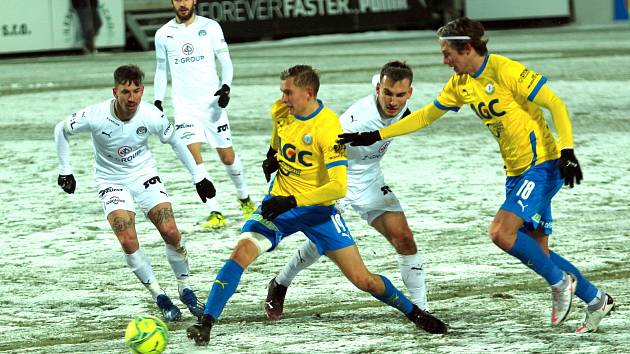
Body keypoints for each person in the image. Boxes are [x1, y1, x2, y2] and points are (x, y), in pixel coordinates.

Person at [338, 17, 615, 334]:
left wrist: (567, 151)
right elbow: (427, 115)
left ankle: (559, 282)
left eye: (448, 53)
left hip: (542, 165)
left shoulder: (505, 70)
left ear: (467, 48)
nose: (444, 60)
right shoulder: (461, 84)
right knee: (540, 253)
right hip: (516, 173)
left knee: (501, 232)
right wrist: (377, 134)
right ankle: (596, 300)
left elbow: (555, 103)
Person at [186, 65, 448, 346]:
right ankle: (207, 322)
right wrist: (271, 155)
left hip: (321, 206)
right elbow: (278, 135)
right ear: (378, 89)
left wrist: (294, 200)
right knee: (241, 251)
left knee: (364, 279)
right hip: (279, 204)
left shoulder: (328, 127)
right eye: (282, 91)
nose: (282, 98)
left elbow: (337, 187)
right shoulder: (284, 110)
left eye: (288, 92)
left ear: (308, 93)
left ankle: (415, 311)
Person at [263, 61, 433, 322]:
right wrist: (276, 156)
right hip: (337, 179)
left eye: (400, 95)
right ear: (378, 88)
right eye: (387, 93)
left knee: (405, 239)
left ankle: (421, 308)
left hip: (370, 178)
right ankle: (280, 283)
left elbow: (410, 112)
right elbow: (310, 139)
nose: (393, 101)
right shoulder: (355, 120)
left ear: (410, 93)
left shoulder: (396, 94)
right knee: (322, 243)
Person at [54, 64, 216, 322]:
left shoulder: (151, 115)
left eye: (137, 91)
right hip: (111, 181)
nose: (132, 98)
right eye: (125, 92)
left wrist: (199, 177)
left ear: (142, 90)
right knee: (128, 240)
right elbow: (61, 129)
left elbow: (175, 141)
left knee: (171, 232)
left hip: (144, 176)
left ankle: (185, 288)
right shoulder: (95, 115)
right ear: (115, 92)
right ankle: (159, 296)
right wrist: (65, 170)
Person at [153, 0, 255, 230]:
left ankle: (245, 198)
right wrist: (158, 100)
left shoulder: (211, 27)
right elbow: (161, 69)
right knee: (192, 156)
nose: (182, 3)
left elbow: (226, 62)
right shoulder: (163, 34)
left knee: (227, 158)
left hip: (212, 105)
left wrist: (226, 87)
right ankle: (215, 211)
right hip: (184, 108)